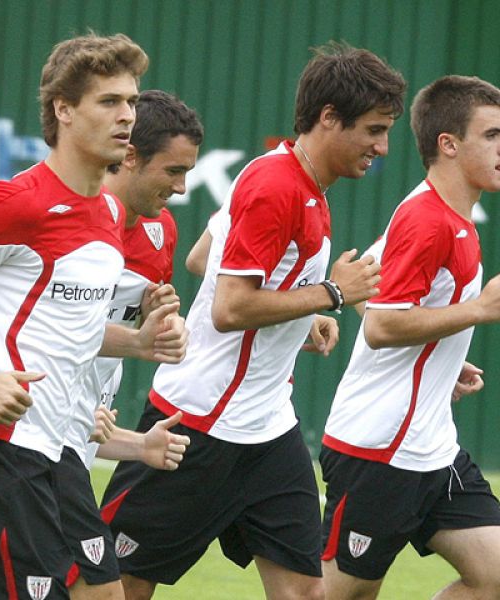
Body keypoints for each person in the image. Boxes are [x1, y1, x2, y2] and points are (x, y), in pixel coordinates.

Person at [0, 34, 186, 600]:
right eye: (108, 102)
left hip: (55, 449)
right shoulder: (16, 201)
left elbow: (62, 326)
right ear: (63, 110)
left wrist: (141, 342)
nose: (126, 116)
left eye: (131, 102)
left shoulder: (108, 213)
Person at [99, 42, 407, 600]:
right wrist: (329, 293)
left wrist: (300, 316)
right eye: (373, 129)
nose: (381, 147)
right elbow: (230, 306)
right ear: (329, 118)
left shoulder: (295, 181)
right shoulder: (275, 184)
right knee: (119, 588)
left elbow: (202, 261)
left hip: (267, 428)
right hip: (200, 421)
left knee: (306, 592)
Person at [320, 75, 500, 599]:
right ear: (448, 144)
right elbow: (380, 325)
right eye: (491, 135)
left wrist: (441, 353)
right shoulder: (426, 219)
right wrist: (479, 310)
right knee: (344, 594)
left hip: (432, 446)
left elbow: (365, 291)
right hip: (379, 449)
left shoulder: (450, 217)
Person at [57, 90, 202, 596]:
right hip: (28, 438)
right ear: (131, 157)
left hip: (77, 438)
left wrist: (168, 327)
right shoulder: (66, 222)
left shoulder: (161, 231)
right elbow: (42, 327)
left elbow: (146, 321)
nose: (182, 188)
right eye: (173, 172)